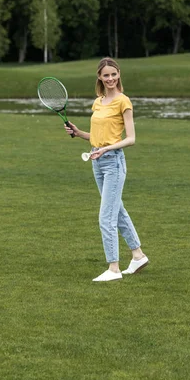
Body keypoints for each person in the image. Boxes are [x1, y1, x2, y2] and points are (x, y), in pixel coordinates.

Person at [64, 57, 149, 282]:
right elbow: (98, 137)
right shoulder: (97, 102)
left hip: (113, 162)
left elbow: (130, 139)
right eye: (106, 75)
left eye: (113, 74)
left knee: (106, 217)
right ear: (99, 78)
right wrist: (78, 132)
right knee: (117, 210)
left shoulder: (124, 102)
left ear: (119, 75)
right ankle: (138, 255)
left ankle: (113, 268)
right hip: (97, 161)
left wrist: (106, 149)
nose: (110, 78)